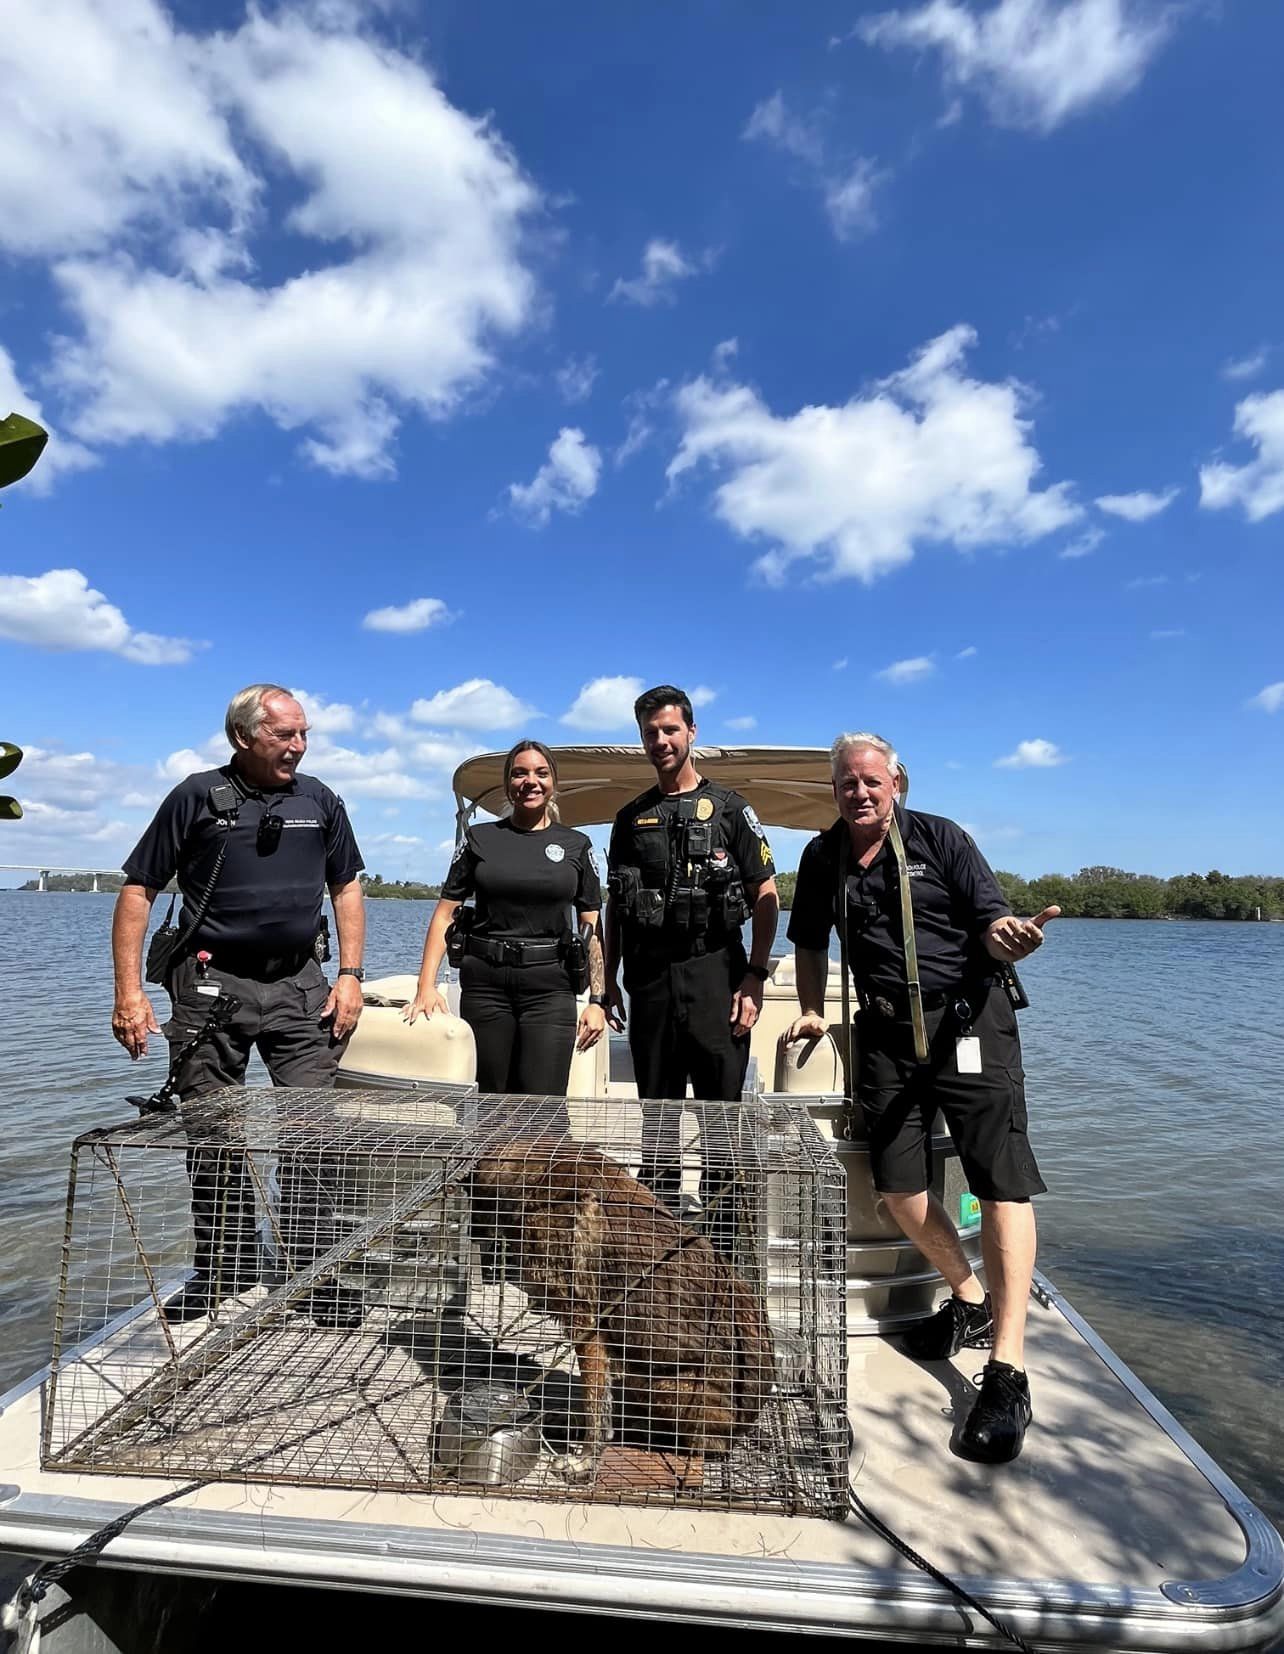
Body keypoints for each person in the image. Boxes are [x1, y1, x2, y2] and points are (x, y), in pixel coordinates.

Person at [784, 732, 1059, 1464]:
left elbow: (992, 925)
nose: (860, 792)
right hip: (883, 1033)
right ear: (834, 790)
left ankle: (1007, 1370)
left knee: (1000, 1185)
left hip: (969, 1022)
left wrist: (1007, 939)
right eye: (847, 783)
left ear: (897, 782)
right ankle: (967, 1296)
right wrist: (811, 1007)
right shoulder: (821, 858)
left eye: (871, 780)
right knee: (897, 1190)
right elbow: (809, 941)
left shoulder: (944, 840)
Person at [110, 684, 367, 1325]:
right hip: (209, 987)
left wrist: (351, 975)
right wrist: (129, 994)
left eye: (304, 733)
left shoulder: (321, 799)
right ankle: (224, 1269)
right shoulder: (196, 795)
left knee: (312, 1134)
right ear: (243, 736)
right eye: (285, 735)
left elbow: (347, 885)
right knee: (215, 1133)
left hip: (300, 985)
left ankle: (315, 1273)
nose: (299, 746)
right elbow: (138, 888)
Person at [604, 685, 779, 1227]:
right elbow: (615, 908)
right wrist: (606, 982)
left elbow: (766, 894)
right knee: (656, 1118)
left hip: (716, 975)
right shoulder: (630, 819)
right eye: (651, 733)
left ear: (692, 733)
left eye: (670, 730)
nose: (661, 741)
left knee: (721, 1119)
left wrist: (754, 977)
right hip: (651, 979)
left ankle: (724, 1254)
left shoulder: (731, 810)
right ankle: (654, 1244)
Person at [405, 741, 606, 1111]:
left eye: (541, 773)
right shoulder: (480, 839)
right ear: (507, 783)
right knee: (490, 1102)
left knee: (543, 1108)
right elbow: (446, 913)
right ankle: (488, 1170)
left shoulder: (576, 845)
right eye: (520, 772)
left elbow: (590, 924)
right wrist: (425, 985)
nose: (530, 781)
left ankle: (539, 1168)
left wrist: (598, 1000)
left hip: (550, 989)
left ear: (554, 783)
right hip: (486, 987)